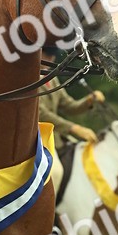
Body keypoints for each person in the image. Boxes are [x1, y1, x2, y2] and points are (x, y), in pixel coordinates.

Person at [39, 46, 106, 194]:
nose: (50, 59)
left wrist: (89, 100)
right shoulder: (30, 80)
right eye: (46, 55)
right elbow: (41, 114)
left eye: (52, 56)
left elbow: (69, 106)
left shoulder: (53, 80)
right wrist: (74, 128)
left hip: (56, 137)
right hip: (37, 138)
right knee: (55, 172)